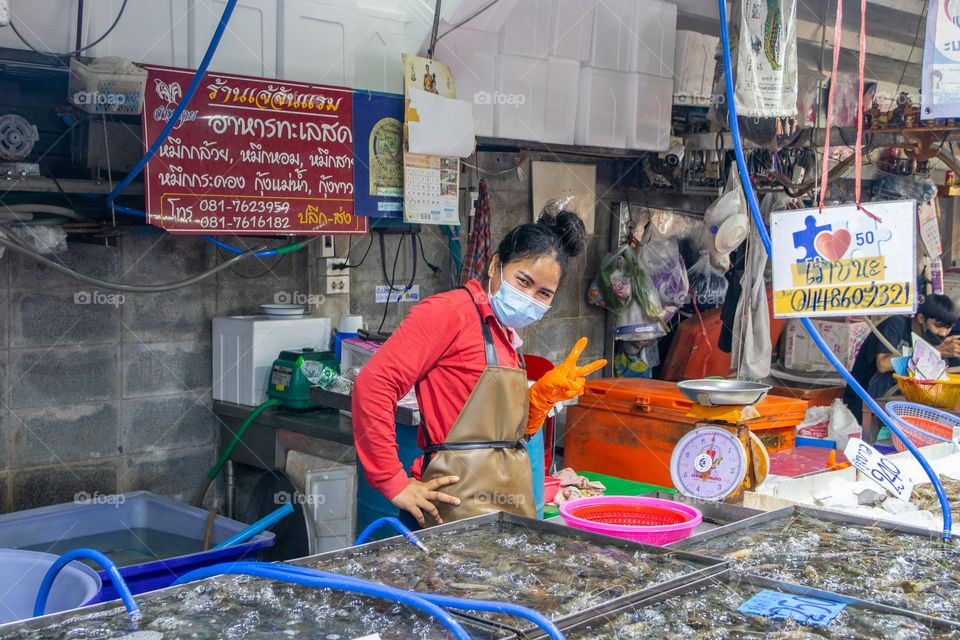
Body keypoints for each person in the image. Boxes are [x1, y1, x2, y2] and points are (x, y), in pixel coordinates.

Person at [352, 212, 605, 528]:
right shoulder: (449, 312)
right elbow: (373, 384)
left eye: (544, 293)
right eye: (523, 281)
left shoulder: (505, 335)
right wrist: (392, 480)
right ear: (495, 265)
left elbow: (496, 438)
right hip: (449, 511)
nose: (529, 298)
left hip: (503, 508)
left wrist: (539, 402)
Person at [843, 294, 960, 425]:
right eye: (938, 326)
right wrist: (933, 352)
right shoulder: (896, 325)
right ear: (921, 318)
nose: (943, 333)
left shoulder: (934, 339)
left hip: (899, 403)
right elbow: (882, 364)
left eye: (948, 328)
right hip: (864, 400)